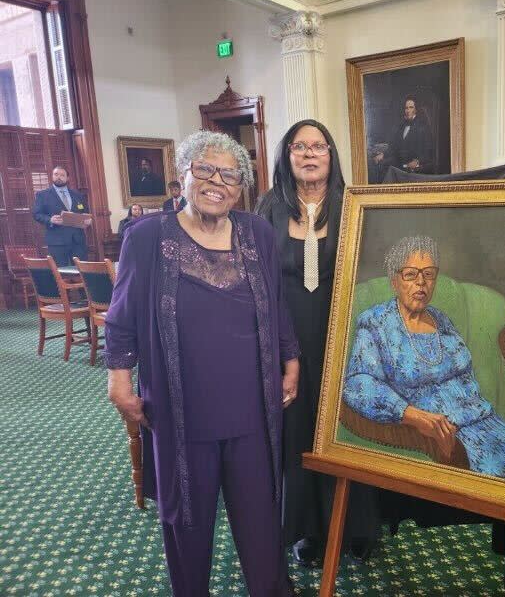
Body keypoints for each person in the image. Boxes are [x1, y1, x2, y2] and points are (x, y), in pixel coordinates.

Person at [104, 130, 299, 597]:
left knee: (259, 513)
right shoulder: (147, 236)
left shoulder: (258, 233)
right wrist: (119, 380)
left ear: (241, 186)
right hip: (180, 408)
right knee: (186, 518)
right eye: (205, 170)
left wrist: (290, 358)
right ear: (184, 176)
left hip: (252, 407)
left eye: (229, 174)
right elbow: (122, 316)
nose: (216, 182)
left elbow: (276, 303)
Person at [255, 119, 381, 567]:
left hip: (347, 334)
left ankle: (358, 526)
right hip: (289, 337)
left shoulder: (355, 205)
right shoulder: (267, 208)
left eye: (319, 146)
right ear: (286, 156)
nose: (309, 154)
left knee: (351, 427)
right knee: (300, 432)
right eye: (299, 147)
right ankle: (307, 530)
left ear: (332, 156)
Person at [344, 235, 505, 481]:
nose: (421, 282)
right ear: (394, 280)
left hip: (488, 424)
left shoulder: (441, 320)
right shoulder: (376, 322)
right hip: (451, 437)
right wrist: (413, 416)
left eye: (428, 274)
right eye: (411, 274)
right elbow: (357, 384)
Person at [32, 166, 91, 267]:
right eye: (56, 174)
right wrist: (50, 219)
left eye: (62, 175)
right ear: (52, 176)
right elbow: (36, 214)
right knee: (61, 273)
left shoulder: (78, 195)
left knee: (83, 272)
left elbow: (86, 214)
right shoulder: (43, 195)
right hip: (57, 242)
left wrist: (88, 221)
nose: (59, 177)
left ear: (67, 178)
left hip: (77, 241)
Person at [380, 96, 434, 175]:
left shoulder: (422, 127)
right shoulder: (401, 126)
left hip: (413, 165)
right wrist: (383, 154)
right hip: (399, 163)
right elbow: (394, 146)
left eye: (411, 107)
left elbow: (427, 151)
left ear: (416, 110)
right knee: (382, 165)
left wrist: (417, 161)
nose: (408, 110)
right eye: (406, 108)